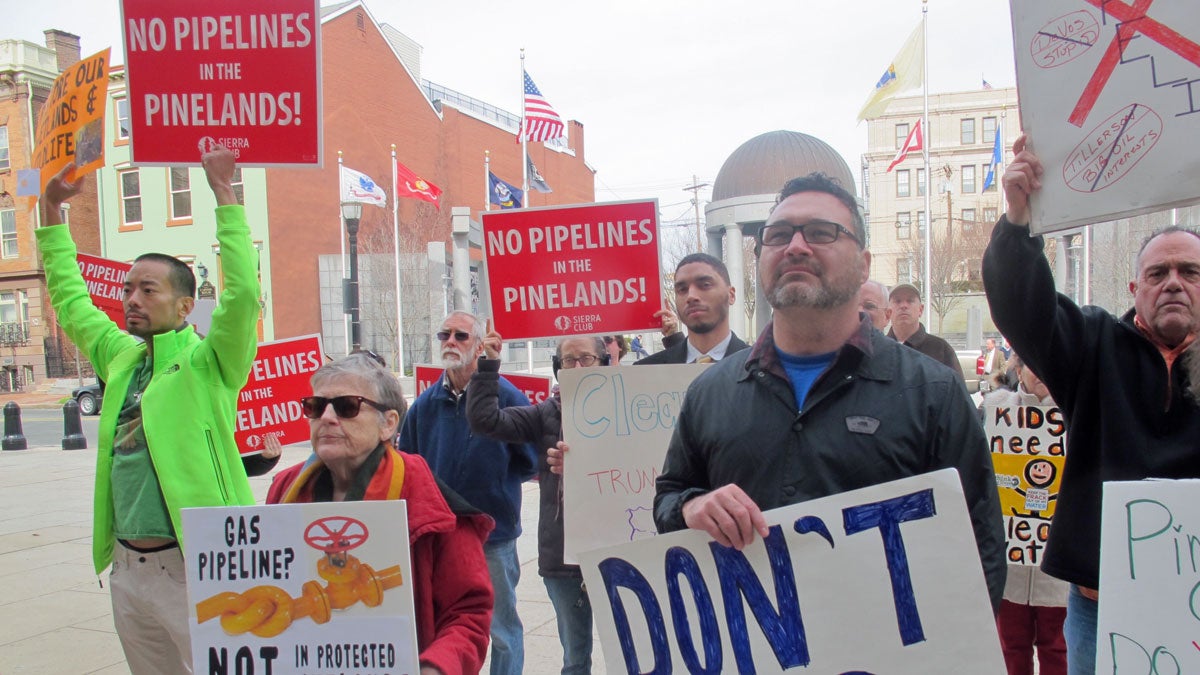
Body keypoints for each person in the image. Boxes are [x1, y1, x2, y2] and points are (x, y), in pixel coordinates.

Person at [651, 172, 1006, 610]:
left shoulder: (932, 391)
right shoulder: (710, 393)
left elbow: (980, 545)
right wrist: (692, 506)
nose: (796, 246)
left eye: (821, 232)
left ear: (864, 263)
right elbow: (668, 498)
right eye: (778, 235)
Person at [982, 134, 1200, 674]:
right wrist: (1017, 223)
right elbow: (1023, 307)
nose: (1173, 283)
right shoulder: (1093, 344)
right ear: (1135, 287)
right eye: (1158, 273)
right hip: (1102, 609)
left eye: (1190, 272)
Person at [37, 147, 260, 674]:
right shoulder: (119, 357)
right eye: (127, 288)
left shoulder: (210, 363)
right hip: (127, 568)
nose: (131, 298)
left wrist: (224, 194)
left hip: (196, 566)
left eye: (147, 290)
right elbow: (71, 304)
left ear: (185, 306)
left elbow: (243, 296)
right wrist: (50, 213)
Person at [267, 354, 494, 675]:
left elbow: (468, 612)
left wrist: (436, 667)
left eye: (347, 406)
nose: (328, 417)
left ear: (388, 424)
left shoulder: (427, 496)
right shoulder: (285, 488)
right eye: (316, 406)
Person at [397, 311, 538, 675]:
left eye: (460, 336)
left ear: (479, 347)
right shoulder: (424, 405)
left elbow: (531, 459)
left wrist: (495, 485)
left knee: (502, 629)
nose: (450, 342)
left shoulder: (507, 396)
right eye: (444, 334)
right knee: (446, 626)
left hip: (494, 536)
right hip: (441, 535)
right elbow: (409, 463)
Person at [467, 331, 608, 675]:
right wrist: (487, 366)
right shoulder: (544, 414)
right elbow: (486, 420)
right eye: (569, 360)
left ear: (603, 363)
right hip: (563, 558)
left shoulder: (632, 413)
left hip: (617, 550)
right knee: (575, 658)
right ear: (558, 369)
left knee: (637, 650)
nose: (577, 367)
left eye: (586, 359)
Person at [982, 355, 1068, 675]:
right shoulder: (997, 410)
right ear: (1019, 370)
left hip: (1056, 561)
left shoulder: (1076, 413)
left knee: (1056, 646)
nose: (1041, 371)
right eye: (1032, 363)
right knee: (1011, 645)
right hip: (1011, 560)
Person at [636, 253, 750, 364]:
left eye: (705, 285)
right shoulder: (647, 371)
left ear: (731, 295)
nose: (691, 296)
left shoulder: (760, 367)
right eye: (682, 289)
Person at [887, 283, 965, 379]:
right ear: (888, 311)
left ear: (921, 309)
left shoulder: (940, 349)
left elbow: (957, 390)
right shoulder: (879, 350)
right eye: (897, 301)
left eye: (910, 301)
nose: (903, 306)